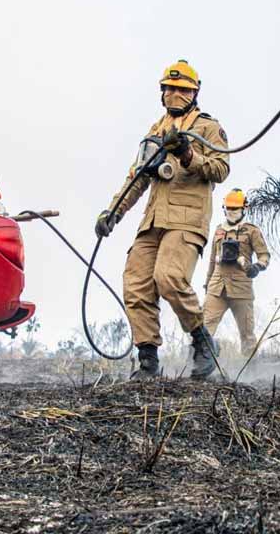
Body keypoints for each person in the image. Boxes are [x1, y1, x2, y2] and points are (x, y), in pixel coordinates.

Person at [95, 60, 230, 380]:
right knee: (136, 283)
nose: (174, 94)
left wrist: (187, 154)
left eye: (182, 89)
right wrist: (112, 213)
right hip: (152, 221)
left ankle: (202, 342)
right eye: (169, 88)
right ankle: (148, 361)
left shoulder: (208, 128)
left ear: (195, 92)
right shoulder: (153, 133)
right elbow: (136, 179)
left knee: (169, 277)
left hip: (186, 220)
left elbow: (221, 170)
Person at [202, 189, 270, 355]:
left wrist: (257, 267)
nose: (231, 212)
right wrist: (207, 283)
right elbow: (212, 260)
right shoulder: (219, 230)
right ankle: (200, 364)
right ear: (224, 208)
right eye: (229, 208)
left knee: (247, 333)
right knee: (203, 328)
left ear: (243, 209)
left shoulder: (251, 230)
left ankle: (250, 371)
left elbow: (264, 255)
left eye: (235, 208)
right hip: (217, 287)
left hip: (241, 288)